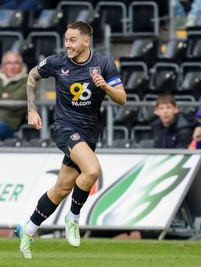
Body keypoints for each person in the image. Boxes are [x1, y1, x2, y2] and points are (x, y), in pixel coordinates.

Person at [15, 21, 126, 259]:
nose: (68, 44)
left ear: (87, 41)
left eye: (73, 40)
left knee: (62, 188)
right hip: (65, 129)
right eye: (66, 39)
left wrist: (105, 86)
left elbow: (122, 98)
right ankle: (73, 219)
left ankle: (28, 228)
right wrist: (32, 110)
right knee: (93, 170)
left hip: (89, 133)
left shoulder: (104, 64)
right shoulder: (57, 62)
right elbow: (33, 76)